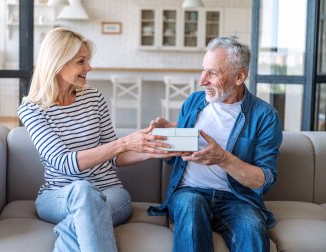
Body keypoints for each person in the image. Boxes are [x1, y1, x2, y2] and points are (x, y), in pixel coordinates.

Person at [18, 27, 182, 252]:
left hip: (110, 193)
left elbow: (115, 158)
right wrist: (123, 143)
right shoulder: (33, 109)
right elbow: (63, 162)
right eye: (81, 61)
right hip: (58, 197)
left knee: (77, 219)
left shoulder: (94, 98)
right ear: (58, 63)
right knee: (82, 190)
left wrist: (150, 148)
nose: (89, 67)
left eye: (88, 60)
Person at [148, 36, 283, 252]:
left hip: (237, 199)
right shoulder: (194, 102)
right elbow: (172, 157)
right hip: (189, 192)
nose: (202, 81)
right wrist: (167, 138)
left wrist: (223, 158)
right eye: (203, 70)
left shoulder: (265, 116)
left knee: (252, 228)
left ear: (239, 76)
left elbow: (265, 181)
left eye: (212, 73)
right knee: (191, 209)